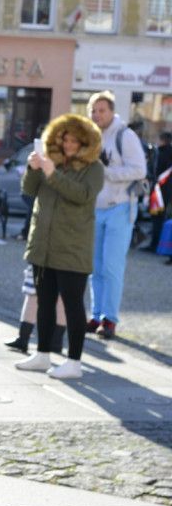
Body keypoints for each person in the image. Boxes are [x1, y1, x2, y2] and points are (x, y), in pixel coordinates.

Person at [15, 113, 105, 379]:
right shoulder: (51, 162)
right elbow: (30, 191)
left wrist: (52, 174)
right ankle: (42, 355)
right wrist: (33, 169)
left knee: (73, 305)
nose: (69, 145)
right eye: (65, 139)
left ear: (85, 142)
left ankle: (74, 362)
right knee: (44, 302)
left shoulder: (94, 168)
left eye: (75, 140)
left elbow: (83, 195)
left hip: (73, 249)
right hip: (44, 247)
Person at [87, 90, 148, 339]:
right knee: (95, 267)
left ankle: (110, 319)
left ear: (112, 111)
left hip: (120, 208)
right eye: (93, 111)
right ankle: (96, 314)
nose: (97, 115)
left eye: (101, 110)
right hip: (95, 208)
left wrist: (108, 171)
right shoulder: (92, 136)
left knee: (112, 266)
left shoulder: (125, 135)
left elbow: (139, 170)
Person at [5, 264, 67, 354]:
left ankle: (23, 339)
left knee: (33, 294)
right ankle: (56, 343)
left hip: (44, 258)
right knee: (61, 298)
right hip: (67, 262)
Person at [144, 131, 172, 252]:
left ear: (162, 141)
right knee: (163, 218)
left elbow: (155, 173)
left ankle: (155, 244)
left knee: (157, 219)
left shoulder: (161, 154)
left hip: (159, 191)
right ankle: (161, 243)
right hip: (168, 190)